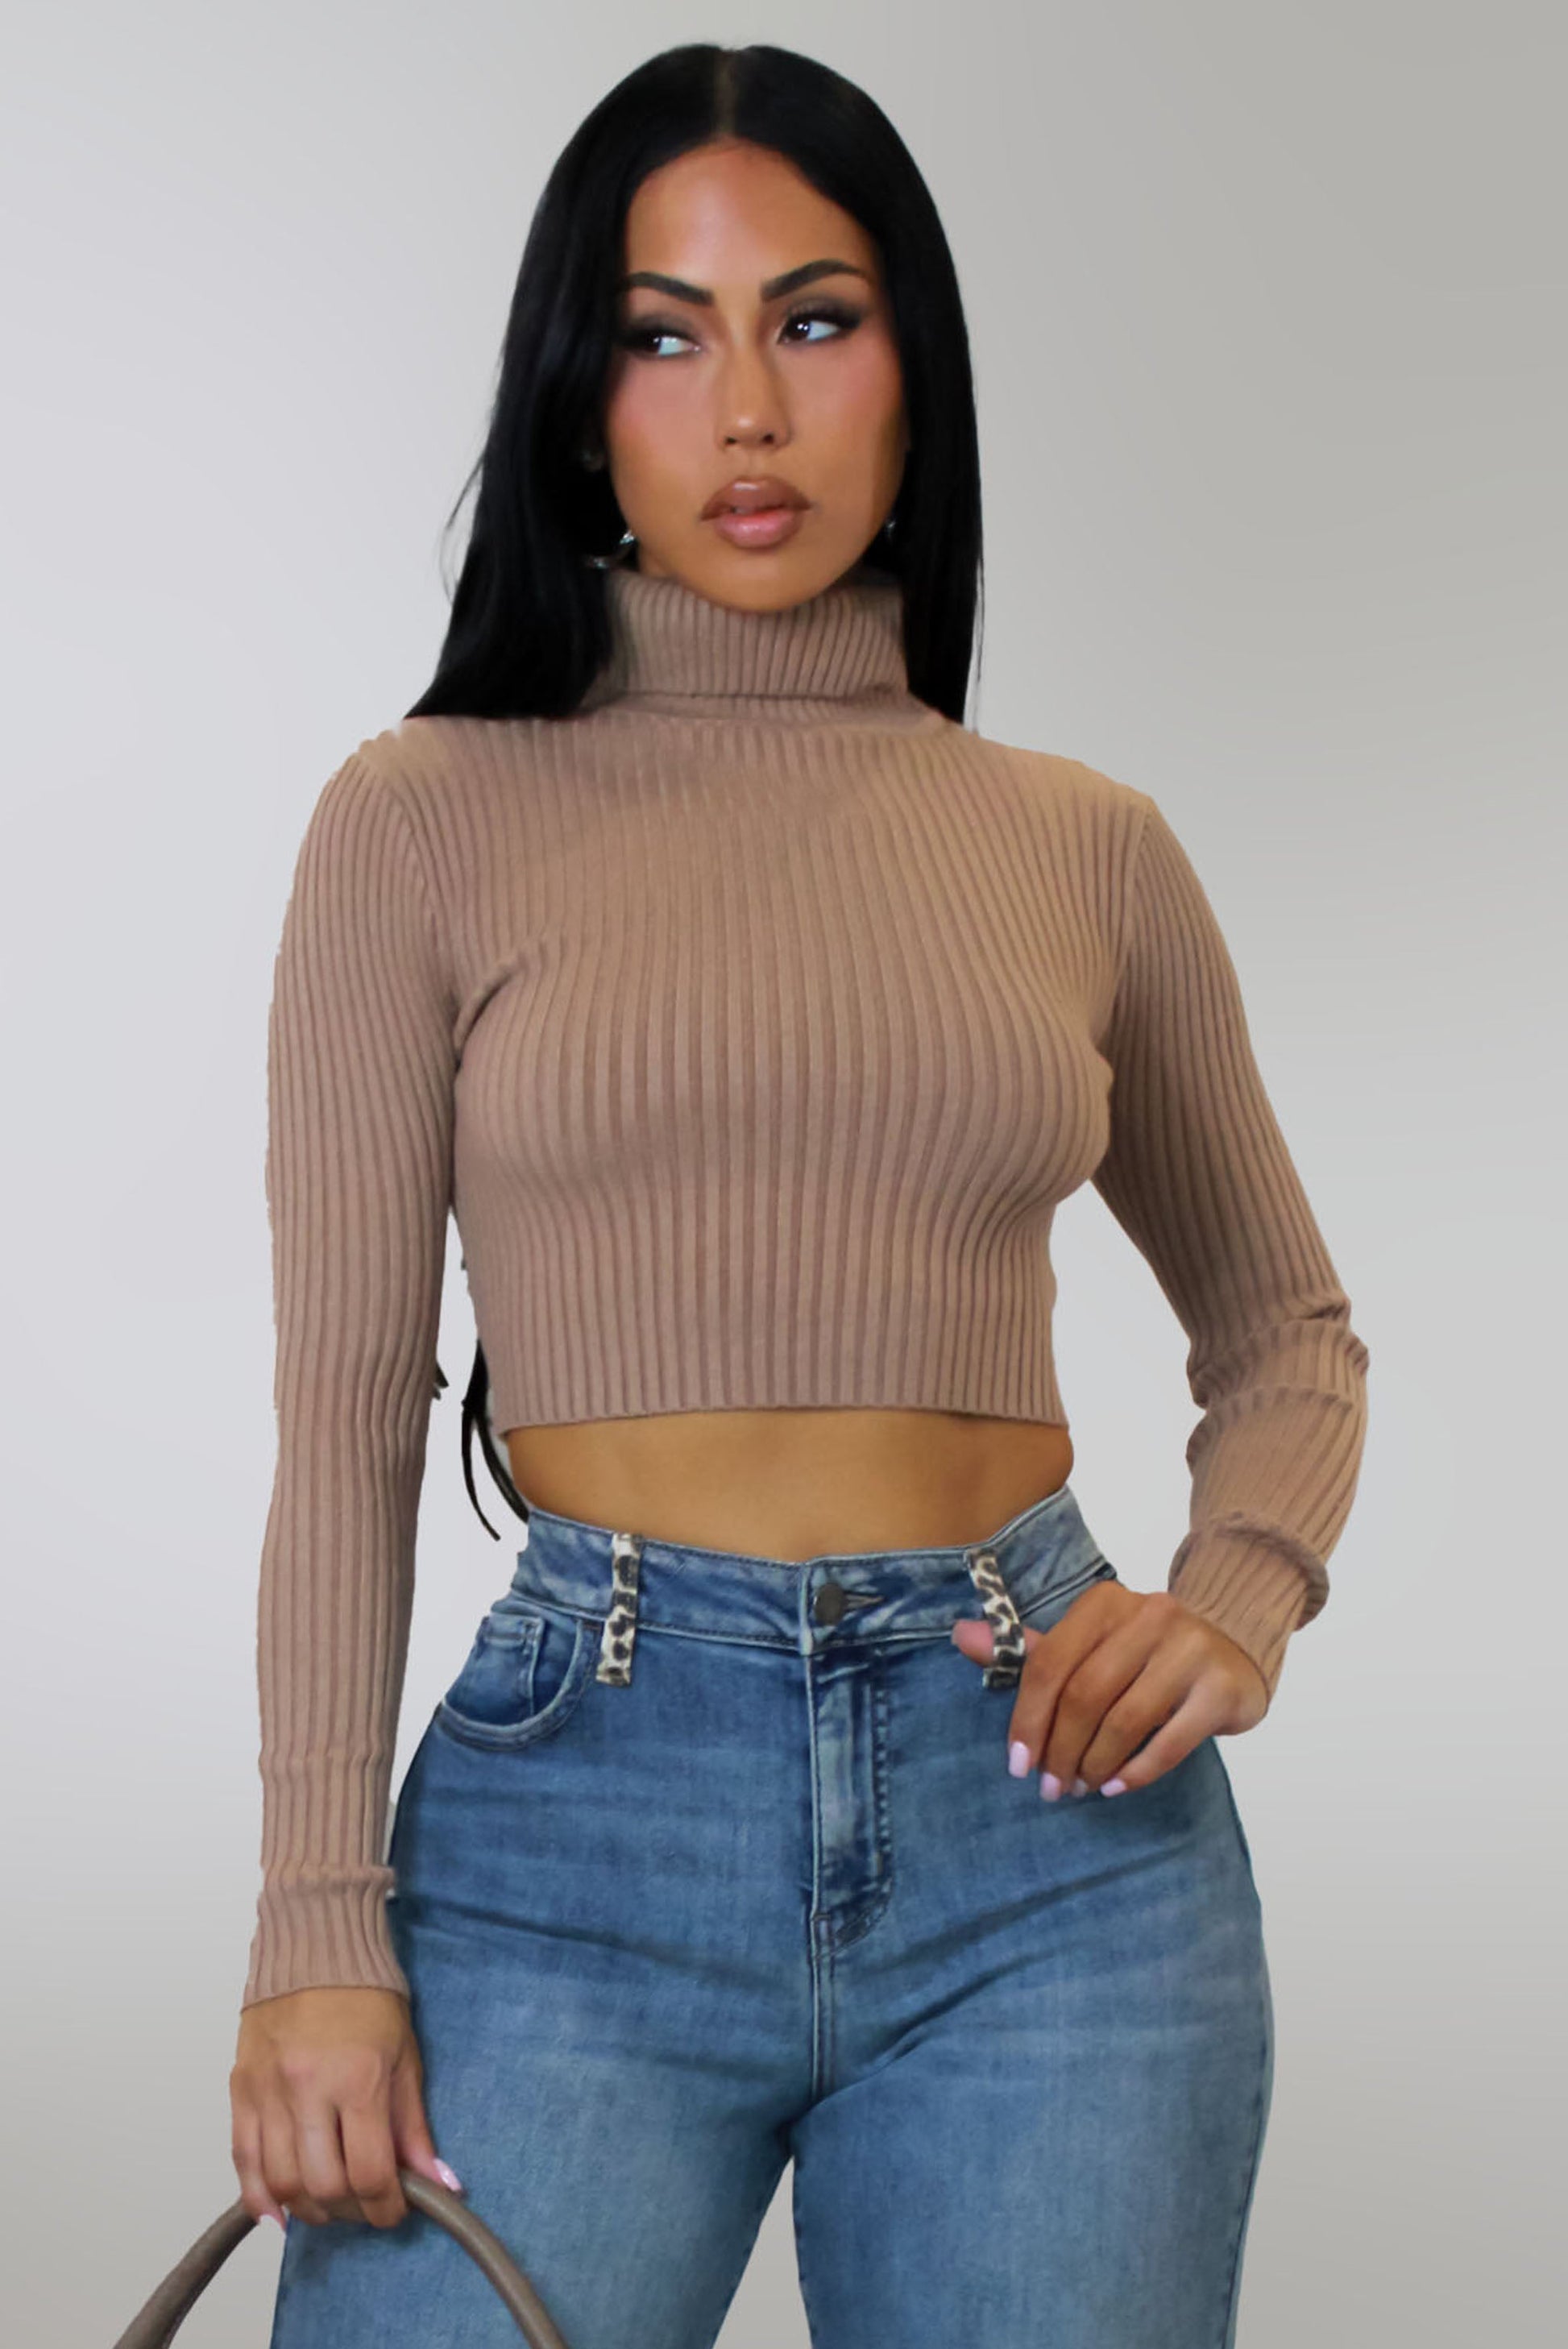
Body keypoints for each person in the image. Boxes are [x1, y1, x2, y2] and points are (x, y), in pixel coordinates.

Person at [230, 41, 1370, 2349]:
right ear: (582, 409)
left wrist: (1236, 1598)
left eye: (814, 322)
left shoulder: (1083, 847)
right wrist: (312, 1926)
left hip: (1053, 1837)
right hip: (571, 1827)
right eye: (665, 337)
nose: (746, 410)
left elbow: (1286, 1335)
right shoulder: (419, 818)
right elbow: (347, 1422)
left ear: (913, 376)